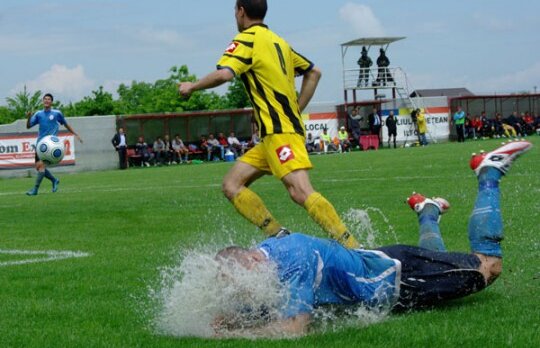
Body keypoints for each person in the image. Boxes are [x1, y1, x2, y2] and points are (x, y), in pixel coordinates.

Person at [213, 140, 533, 337]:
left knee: (490, 267)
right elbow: (270, 300)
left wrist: (232, 334)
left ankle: (489, 173)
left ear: (253, 259)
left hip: (401, 276)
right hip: (385, 271)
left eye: (245, 281)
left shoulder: (294, 261)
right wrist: (232, 317)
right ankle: (428, 212)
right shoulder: (268, 253)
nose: (249, 290)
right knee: (439, 261)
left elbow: (295, 328)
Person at [178, 0, 360, 248]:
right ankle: (278, 235)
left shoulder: (246, 39)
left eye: (235, 11)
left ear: (241, 11)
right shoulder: (279, 42)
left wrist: (193, 86)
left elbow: (224, 73)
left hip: (280, 133)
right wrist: (296, 109)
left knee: (300, 191)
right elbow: (313, 72)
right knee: (232, 185)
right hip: (272, 136)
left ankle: (354, 248)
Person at [25, 93, 83, 196]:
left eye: (48, 99)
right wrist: (29, 117)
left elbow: (66, 124)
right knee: (38, 167)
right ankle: (54, 180)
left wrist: (75, 134)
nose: (46, 101)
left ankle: (35, 190)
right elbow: (28, 126)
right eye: (45, 99)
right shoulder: (38, 114)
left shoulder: (57, 113)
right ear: (43, 101)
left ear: (51, 102)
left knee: (41, 167)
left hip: (50, 146)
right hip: (40, 145)